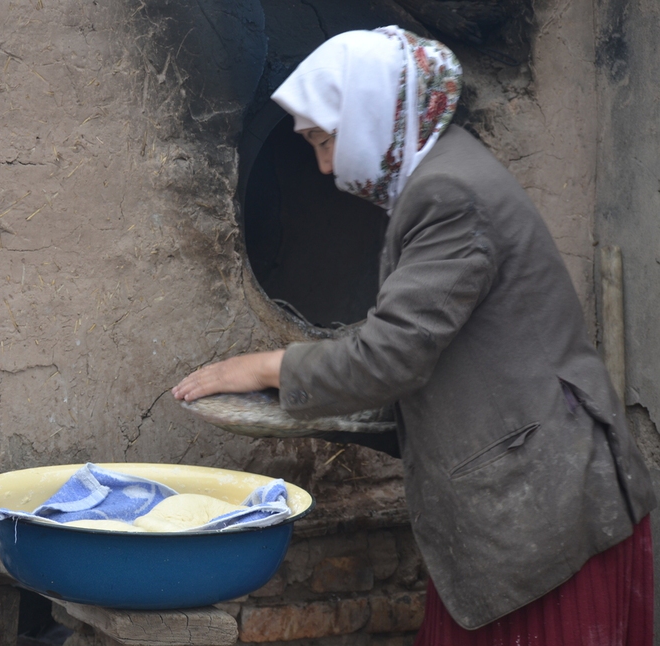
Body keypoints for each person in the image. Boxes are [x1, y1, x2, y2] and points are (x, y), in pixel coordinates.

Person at [173, 27, 656, 644]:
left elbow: (392, 356)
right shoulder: (438, 172)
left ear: (375, 111)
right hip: (530, 503)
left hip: (543, 510)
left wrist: (269, 367)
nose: (323, 165)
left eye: (326, 140)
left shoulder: (447, 192)